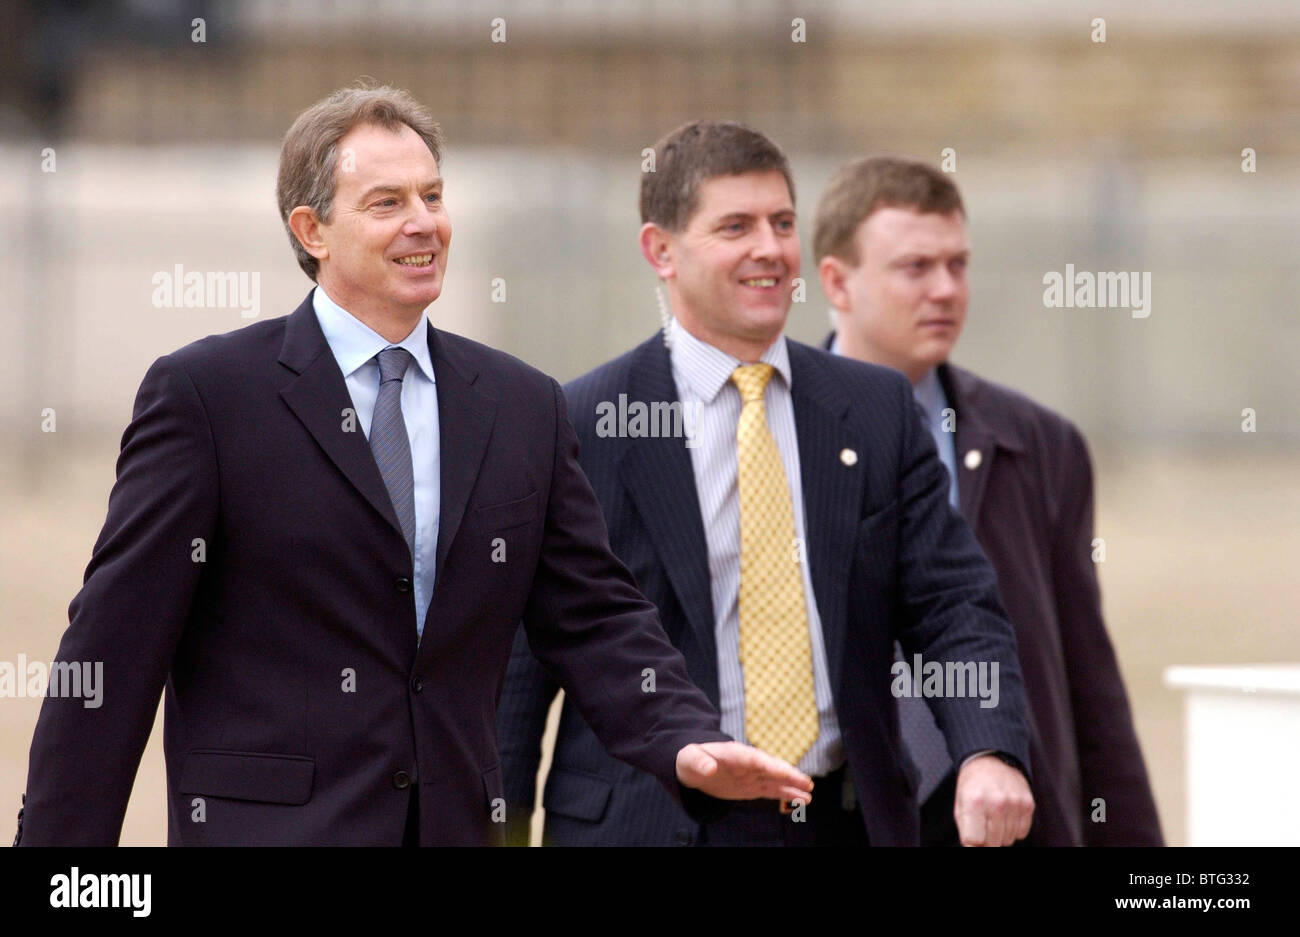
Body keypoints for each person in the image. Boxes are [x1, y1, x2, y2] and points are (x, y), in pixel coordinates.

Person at [13, 85, 813, 847]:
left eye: (433, 196)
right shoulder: (209, 397)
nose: (424, 222)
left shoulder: (522, 405)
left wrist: (681, 737)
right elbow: (112, 652)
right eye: (387, 203)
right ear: (312, 230)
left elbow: (595, 614)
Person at [497, 121, 1034, 847]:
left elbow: (954, 604)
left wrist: (988, 749)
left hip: (843, 822)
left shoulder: (874, 409)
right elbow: (522, 670)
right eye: (736, 226)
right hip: (650, 826)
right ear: (660, 250)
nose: (771, 249)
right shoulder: (582, 421)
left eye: (782, 223)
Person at [813, 155, 1163, 845]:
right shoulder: (771, 432)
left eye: (959, 264)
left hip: (1004, 818)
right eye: (916, 267)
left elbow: (1087, 681)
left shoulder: (1039, 445)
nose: (946, 289)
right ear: (836, 281)